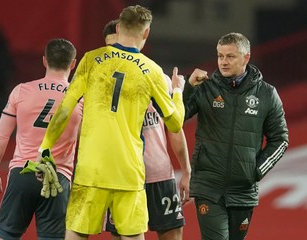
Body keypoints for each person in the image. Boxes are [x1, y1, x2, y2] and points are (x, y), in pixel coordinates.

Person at [37, 5, 185, 240]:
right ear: (146, 33)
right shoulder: (153, 71)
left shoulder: (91, 60)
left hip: (91, 170)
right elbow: (176, 123)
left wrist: (44, 148)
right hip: (128, 171)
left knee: (76, 234)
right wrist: (177, 91)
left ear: (118, 27)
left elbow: (64, 110)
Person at [183, 32, 289, 240]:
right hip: (208, 185)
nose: (223, 62)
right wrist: (188, 88)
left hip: (243, 190)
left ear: (246, 58)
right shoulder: (206, 87)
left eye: (230, 56)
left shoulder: (267, 94)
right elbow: (177, 117)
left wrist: (256, 170)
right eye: (220, 56)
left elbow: (280, 139)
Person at [103, 19, 191, 240]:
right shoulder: (99, 79)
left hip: (157, 173)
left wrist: (186, 171)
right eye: (111, 46)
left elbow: (175, 128)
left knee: (172, 232)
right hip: (121, 176)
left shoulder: (155, 76)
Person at [0, 38, 82, 240]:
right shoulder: (81, 99)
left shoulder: (21, 91)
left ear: (44, 61)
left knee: (6, 236)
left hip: (22, 173)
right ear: (73, 63)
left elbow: (1, 136)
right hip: (58, 178)